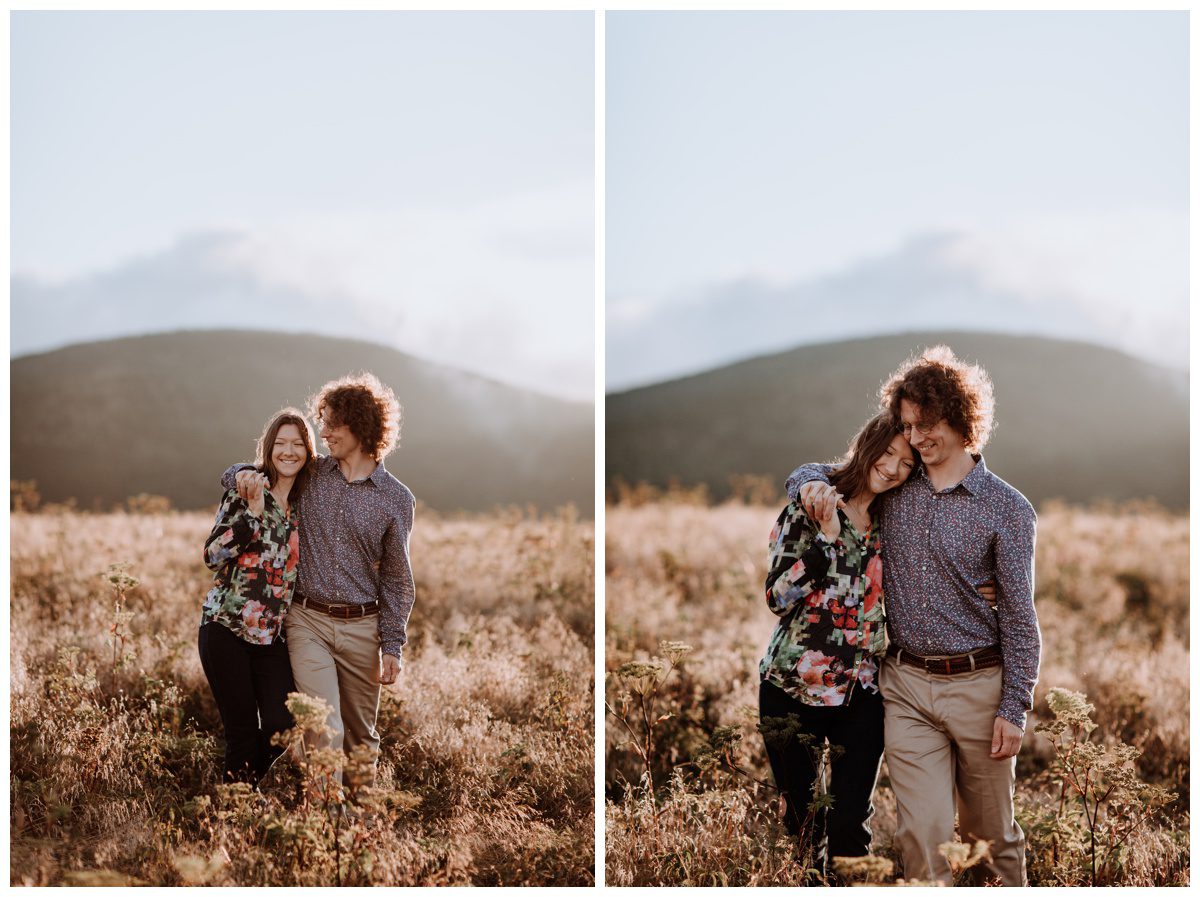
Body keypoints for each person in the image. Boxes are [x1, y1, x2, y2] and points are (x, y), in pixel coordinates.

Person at [788, 345, 1039, 886]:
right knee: (921, 836)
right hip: (903, 686)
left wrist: (1014, 707)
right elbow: (826, 471)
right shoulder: (897, 485)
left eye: (928, 425)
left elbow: (1020, 616)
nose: (917, 438)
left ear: (962, 419)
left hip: (980, 687)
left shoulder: (1008, 508)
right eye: (908, 425)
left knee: (991, 840)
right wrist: (805, 485)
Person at [224, 372, 415, 779]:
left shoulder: (396, 499)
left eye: (332, 423)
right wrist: (240, 476)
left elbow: (397, 579)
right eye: (322, 421)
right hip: (306, 621)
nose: (323, 432)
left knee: (361, 737)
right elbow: (263, 467)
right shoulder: (312, 475)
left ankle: (362, 828)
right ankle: (326, 821)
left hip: (363, 628)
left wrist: (392, 645)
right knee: (323, 730)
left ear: (360, 425)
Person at [759, 411, 916, 873]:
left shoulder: (893, 521)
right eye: (887, 453)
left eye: (906, 463)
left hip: (861, 693)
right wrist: (826, 542)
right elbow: (776, 596)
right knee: (805, 828)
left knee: (851, 827)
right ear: (867, 445)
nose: (892, 468)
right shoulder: (809, 506)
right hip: (792, 689)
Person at [199, 408, 316, 784]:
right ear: (268, 449)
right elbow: (211, 555)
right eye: (280, 443)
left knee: (283, 725)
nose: (289, 451)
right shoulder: (245, 491)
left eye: (298, 444)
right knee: (242, 734)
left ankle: (244, 789)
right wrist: (251, 514)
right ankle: (232, 822)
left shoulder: (303, 505)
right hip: (225, 630)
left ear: (308, 450)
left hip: (270, 637)